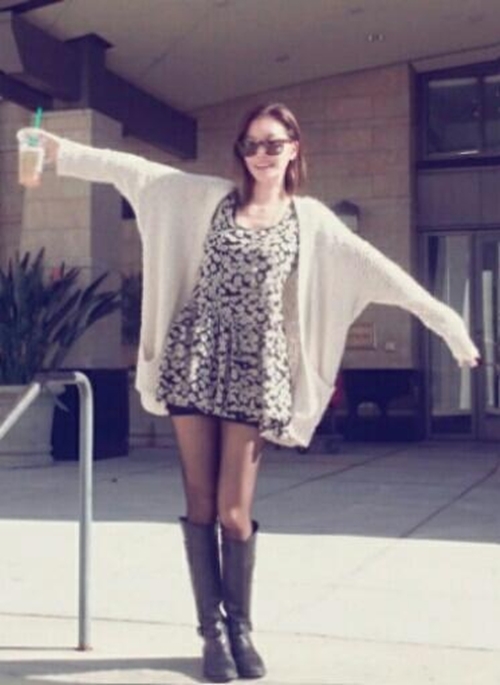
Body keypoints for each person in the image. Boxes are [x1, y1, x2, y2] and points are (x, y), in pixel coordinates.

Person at [21, 102, 480, 682]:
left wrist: (449, 323)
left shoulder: (311, 221)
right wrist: (60, 152)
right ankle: (211, 633)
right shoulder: (209, 200)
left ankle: (240, 627)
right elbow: (134, 172)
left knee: (234, 513)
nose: (261, 155)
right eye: (251, 145)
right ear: (241, 152)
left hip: (256, 368)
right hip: (195, 355)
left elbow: (381, 273)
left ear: (294, 149)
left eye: (273, 144)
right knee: (200, 505)